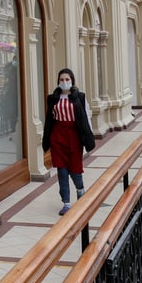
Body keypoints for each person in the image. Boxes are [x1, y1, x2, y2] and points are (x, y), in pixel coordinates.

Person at [43, 68, 96, 215]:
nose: (64, 82)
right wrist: (46, 139)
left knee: (75, 169)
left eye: (67, 79)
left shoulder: (79, 97)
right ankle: (66, 202)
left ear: (72, 81)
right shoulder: (53, 98)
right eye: (61, 80)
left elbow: (86, 117)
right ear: (58, 81)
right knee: (61, 171)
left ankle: (80, 189)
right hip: (58, 137)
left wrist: (88, 137)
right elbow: (49, 120)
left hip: (74, 137)